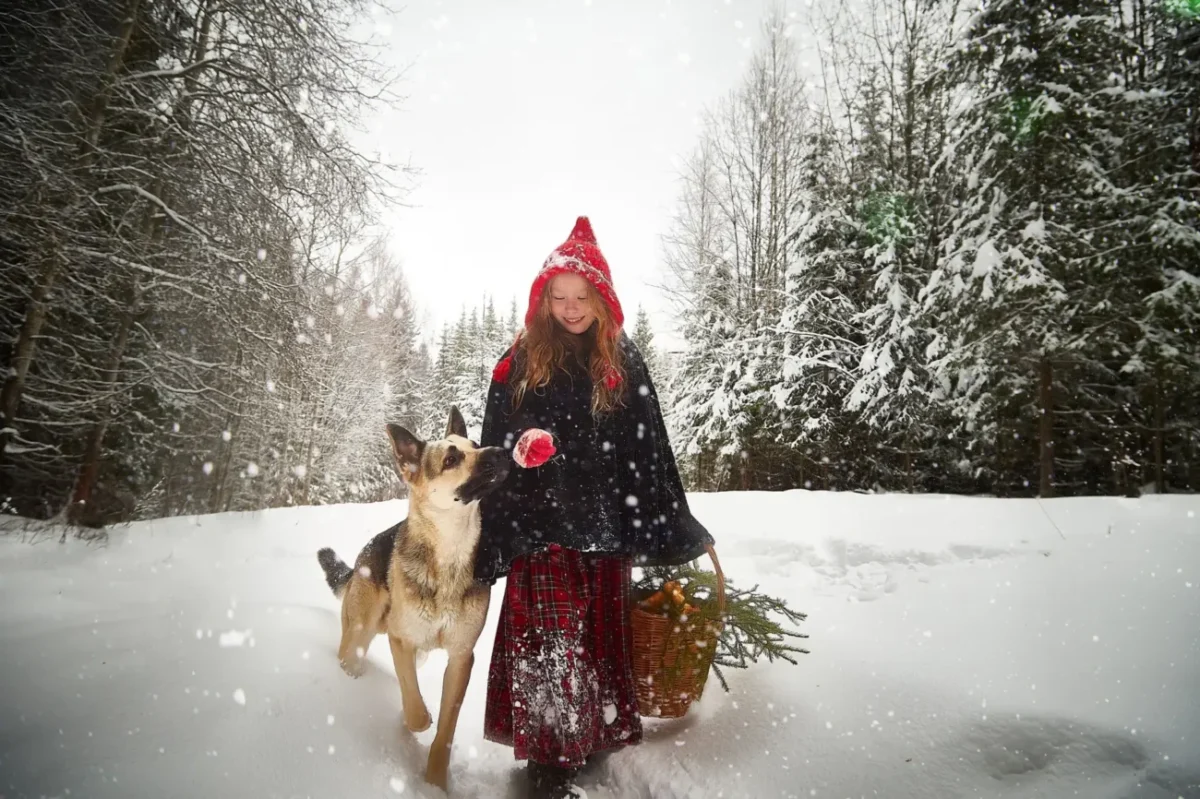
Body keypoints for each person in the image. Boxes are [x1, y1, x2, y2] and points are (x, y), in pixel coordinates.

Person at [474, 216, 714, 799]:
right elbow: (496, 438)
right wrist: (520, 448)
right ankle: (551, 764)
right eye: (559, 296)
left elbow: (647, 446)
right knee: (551, 638)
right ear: (543, 298)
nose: (571, 308)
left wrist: (673, 522)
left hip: (603, 521)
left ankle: (589, 734)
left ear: (601, 297)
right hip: (541, 522)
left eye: (582, 296)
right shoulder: (520, 359)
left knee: (595, 636)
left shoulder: (621, 359)